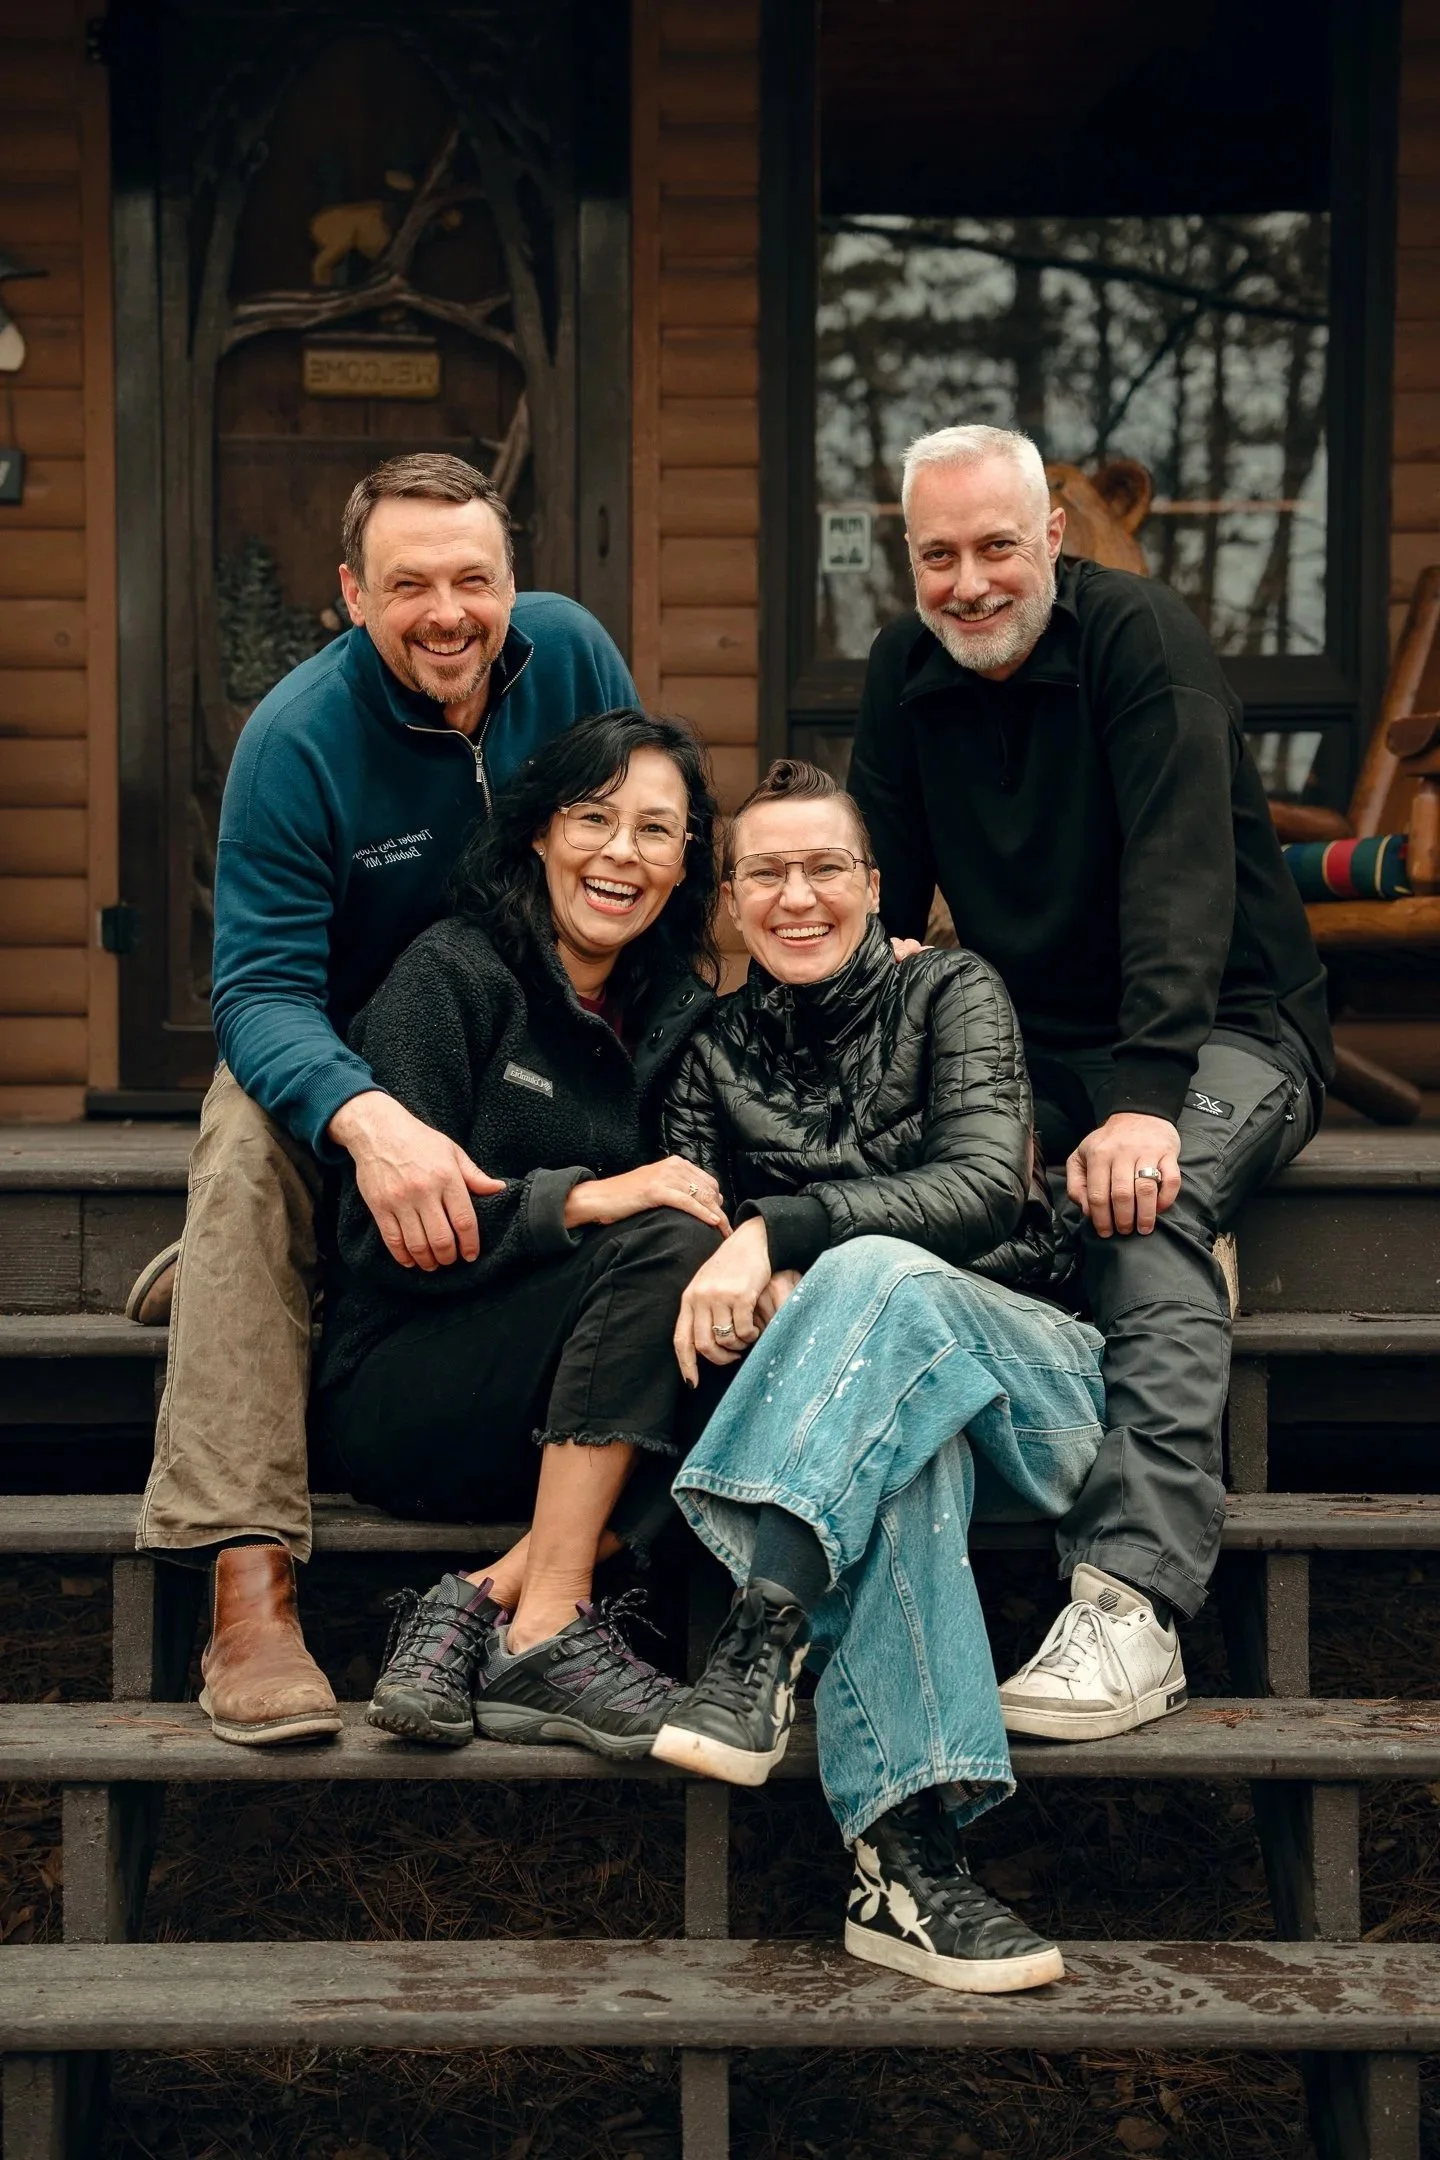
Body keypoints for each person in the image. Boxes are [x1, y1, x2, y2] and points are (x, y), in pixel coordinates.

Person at [131, 452, 638, 1747]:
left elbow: (638, 847)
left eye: (475, 579)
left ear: (515, 582)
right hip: (350, 1064)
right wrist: (365, 1118)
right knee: (247, 1145)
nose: (449, 612)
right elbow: (255, 993)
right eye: (410, 584)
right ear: (353, 594)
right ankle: (248, 1578)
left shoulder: (573, 662)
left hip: (525, 1041)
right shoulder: (296, 740)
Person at [846, 422, 1332, 1742]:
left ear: (1053, 537)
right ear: (909, 558)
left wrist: (1141, 1105)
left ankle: (1131, 1606)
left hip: (1224, 1020)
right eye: (938, 555)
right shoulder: (904, 669)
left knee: (1145, 1202)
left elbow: (1186, 882)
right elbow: (877, 896)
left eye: (998, 546)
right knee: (941, 1200)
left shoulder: (1141, 642)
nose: (970, 583)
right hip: (1027, 1034)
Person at [648, 759, 1106, 1996]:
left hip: (1035, 1380)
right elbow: (686, 1237)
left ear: (874, 885)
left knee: (881, 1279)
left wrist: (787, 1238)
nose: (799, 896)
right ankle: (906, 1867)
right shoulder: (709, 1053)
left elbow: (978, 1190)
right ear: (730, 902)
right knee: (904, 1448)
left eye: (826, 868)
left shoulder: (952, 991)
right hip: (880, 1422)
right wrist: (747, 1260)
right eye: (767, 875)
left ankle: (767, 1625)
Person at [311, 710, 727, 1759]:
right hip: (409, 1390)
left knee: (758, 1330)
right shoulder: (451, 977)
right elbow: (372, 1239)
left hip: (581, 1407)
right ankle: (548, 1624)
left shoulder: (677, 1012)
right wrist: (580, 1200)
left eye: (656, 831)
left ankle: (479, 1604)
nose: (621, 854)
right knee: (666, 1239)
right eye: (594, 818)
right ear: (539, 832)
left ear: (686, 864)